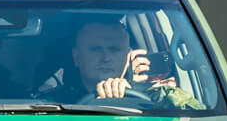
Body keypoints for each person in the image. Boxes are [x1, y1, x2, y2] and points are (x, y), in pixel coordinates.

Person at [43, 20, 203, 110]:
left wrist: (162, 95)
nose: (105, 58)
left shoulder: (155, 98)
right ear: (76, 57)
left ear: (128, 57)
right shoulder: (50, 104)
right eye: (95, 49)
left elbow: (198, 116)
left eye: (114, 50)